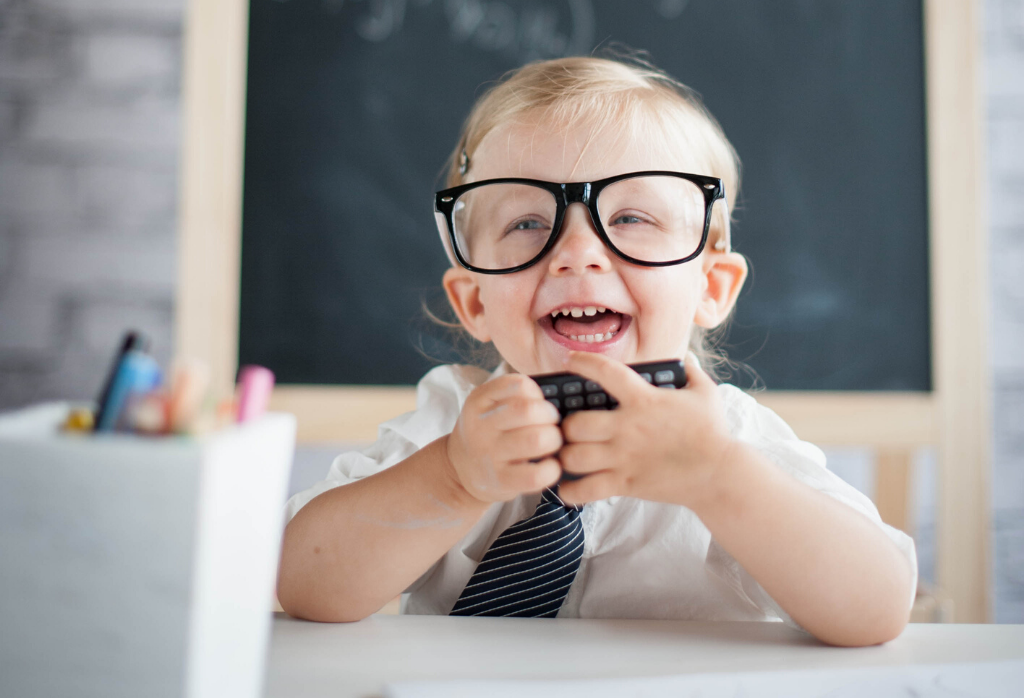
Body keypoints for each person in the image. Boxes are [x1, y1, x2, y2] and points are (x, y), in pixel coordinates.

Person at [276, 54, 917, 646]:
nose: (576, 253)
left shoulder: (729, 438)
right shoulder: (452, 422)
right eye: (527, 223)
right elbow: (303, 584)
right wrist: (450, 480)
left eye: (632, 219)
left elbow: (879, 607)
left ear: (711, 287)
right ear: (473, 302)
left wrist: (719, 478)